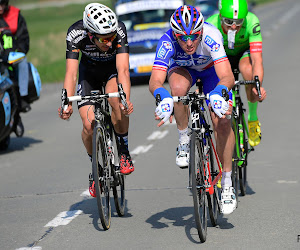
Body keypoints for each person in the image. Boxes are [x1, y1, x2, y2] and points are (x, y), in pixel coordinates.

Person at [149, 5, 236, 214]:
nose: (188, 43)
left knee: (222, 121)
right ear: (175, 34)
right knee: (176, 90)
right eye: (182, 38)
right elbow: (155, 80)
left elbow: (228, 76)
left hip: (211, 73)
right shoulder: (167, 41)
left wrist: (219, 92)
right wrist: (163, 98)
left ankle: (227, 183)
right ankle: (184, 139)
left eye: (194, 37)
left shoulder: (211, 36)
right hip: (183, 71)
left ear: (201, 32)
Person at [58, 3, 134, 197]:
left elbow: (123, 70)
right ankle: (96, 168)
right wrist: (66, 103)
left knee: (116, 101)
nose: (109, 42)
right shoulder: (76, 34)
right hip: (88, 74)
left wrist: (125, 99)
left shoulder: (119, 30)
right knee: (88, 124)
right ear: (90, 34)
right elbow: (71, 73)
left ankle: (123, 151)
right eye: (104, 39)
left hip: (111, 71)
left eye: (111, 38)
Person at [206, 0, 267, 147]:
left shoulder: (252, 21)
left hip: (242, 53)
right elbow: (206, 60)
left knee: (247, 70)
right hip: (221, 57)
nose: (234, 26)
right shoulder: (210, 24)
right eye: (228, 21)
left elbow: (257, 59)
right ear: (220, 16)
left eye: (239, 22)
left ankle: (252, 118)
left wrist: (257, 86)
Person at [0, 0, 30, 112]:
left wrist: (19, 51)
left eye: (2, 4)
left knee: (22, 61)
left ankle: (23, 96)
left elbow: (24, 38)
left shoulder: (15, 16)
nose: (0, 7)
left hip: (12, 54)